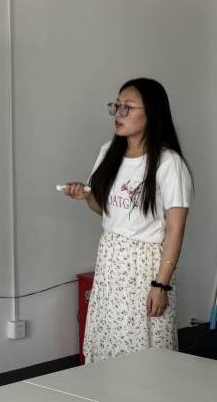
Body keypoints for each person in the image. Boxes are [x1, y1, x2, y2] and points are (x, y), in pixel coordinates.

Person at [62, 78, 193, 364]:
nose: (119, 114)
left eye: (128, 108)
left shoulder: (169, 163)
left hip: (145, 266)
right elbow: (104, 210)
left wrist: (161, 285)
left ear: (152, 113)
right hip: (110, 259)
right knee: (109, 341)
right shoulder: (108, 151)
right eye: (117, 106)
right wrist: (86, 196)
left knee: (146, 350)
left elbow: (175, 228)